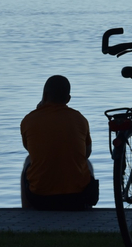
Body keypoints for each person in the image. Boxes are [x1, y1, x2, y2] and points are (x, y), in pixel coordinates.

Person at [20, 75, 98, 211]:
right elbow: (87, 153)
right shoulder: (80, 119)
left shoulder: (28, 120)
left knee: (28, 161)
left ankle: (26, 211)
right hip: (77, 198)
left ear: (44, 95)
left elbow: (31, 151)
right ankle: (87, 211)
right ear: (68, 99)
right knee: (87, 163)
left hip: (40, 199)